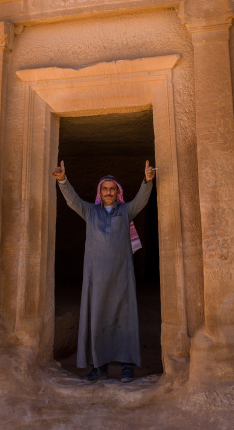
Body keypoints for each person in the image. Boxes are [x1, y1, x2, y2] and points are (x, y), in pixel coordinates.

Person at [51, 159, 156, 383]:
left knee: (124, 320)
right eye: (105, 189)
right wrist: (63, 181)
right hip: (96, 280)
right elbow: (73, 202)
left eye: (112, 189)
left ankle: (127, 367)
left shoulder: (125, 211)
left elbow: (141, 200)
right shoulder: (90, 212)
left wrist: (147, 181)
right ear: (100, 192)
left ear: (118, 192)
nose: (109, 192)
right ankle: (100, 367)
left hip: (121, 279)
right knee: (97, 321)